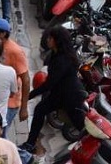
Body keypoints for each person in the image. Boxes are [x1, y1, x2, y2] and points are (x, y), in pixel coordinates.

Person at [19, 26, 87, 154]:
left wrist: (29, 95)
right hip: (59, 94)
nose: (48, 40)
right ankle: (30, 144)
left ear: (57, 40)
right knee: (39, 110)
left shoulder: (62, 59)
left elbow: (49, 84)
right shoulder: (55, 54)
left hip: (71, 96)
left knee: (82, 127)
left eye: (50, 38)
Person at [0, 18, 30, 128]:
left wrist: (24, 108)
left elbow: (26, 79)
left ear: (3, 34)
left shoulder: (15, 51)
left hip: (9, 103)